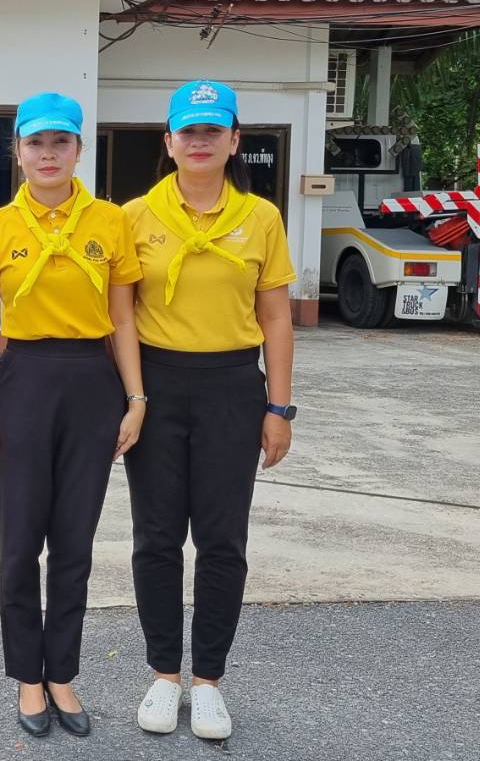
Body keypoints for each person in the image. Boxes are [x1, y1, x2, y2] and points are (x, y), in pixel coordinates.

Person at [0, 92, 146, 738]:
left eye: (60, 142)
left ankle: (61, 673)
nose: (47, 154)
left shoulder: (109, 222)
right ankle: (27, 678)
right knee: (20, 542)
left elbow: (124, 319)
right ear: (17, 151)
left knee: (74, 541)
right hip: (24, 381)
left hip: (93, 384)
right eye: (35, 142)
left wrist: (136, 399)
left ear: (78, 150)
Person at [122, 79, 296, 741]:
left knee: (223, 540)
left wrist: (279, 407)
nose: (200, 142)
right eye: (188, 131)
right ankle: (165, 674)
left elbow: (275, 318)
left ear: (234, 140)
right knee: (157, 536)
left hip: (231, 386)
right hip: (157, 385)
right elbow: (120, 318)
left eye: (212, 131)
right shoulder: (135, 216)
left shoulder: (262, 218)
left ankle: (209, 682)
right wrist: (131, 397)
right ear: (168, 142)